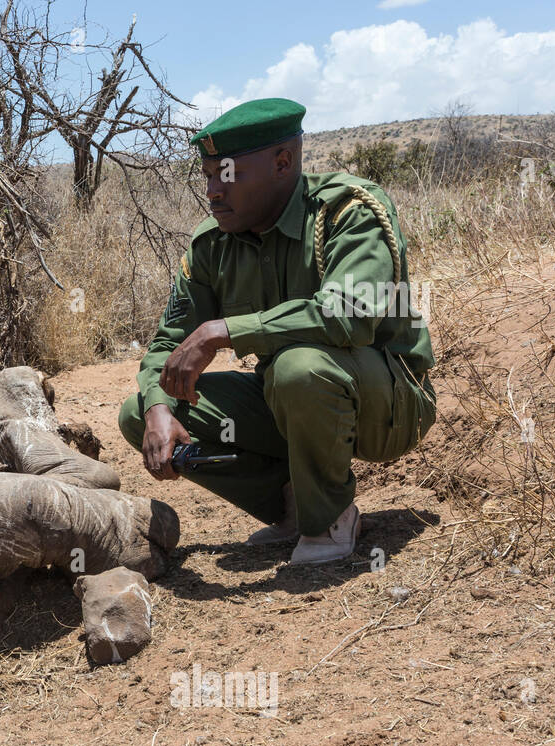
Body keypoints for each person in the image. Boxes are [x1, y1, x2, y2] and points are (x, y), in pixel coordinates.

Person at [118, 97, 436, 564]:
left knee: (298, 367)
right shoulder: (213, 244)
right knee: (140, 410)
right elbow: (167, 344)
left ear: (283, 162)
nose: (212, 191)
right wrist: (160, 408)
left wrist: (223, 331)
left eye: (227, 175)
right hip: (289, 401)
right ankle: (295, 504)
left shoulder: (346, 212)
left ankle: (328, 518)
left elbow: (349, 314)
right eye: (207, 175)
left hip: (387, 405)